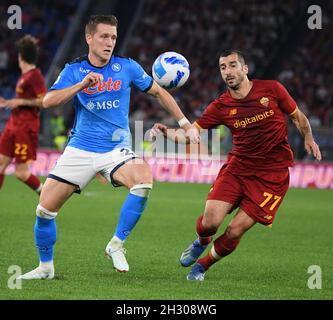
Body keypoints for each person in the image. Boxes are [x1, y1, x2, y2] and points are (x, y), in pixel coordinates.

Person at [18, 15, 199, 280]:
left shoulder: (127, 67)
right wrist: (81, 85)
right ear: (89, 38)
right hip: (80, 149)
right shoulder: (74, 69)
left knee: (143, 180)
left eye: (113, 37)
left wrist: (186, 124)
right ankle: (46, 267)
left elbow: (159, 92)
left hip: (115, 150)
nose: (110, 42)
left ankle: (116, 243)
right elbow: (48, 101)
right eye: (104, 36)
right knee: (45, 210)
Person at [151, 50, 322, 281]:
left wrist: (308, 137)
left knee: (234, 231)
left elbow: (298, 117)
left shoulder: (272, 90)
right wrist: (168, 133)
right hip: (237, 169)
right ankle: (201, 242)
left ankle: (202, 266)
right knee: (209, 224)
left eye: (232, 65)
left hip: (271, 177)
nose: (228, 72)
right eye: (223, 68)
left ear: (245, 68)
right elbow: (191, 134)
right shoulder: (221, 106)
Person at [0, 35, 46, 195]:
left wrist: (20, 102)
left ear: (21, 56)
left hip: (25, 128)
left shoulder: (36, 76)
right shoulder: (24, 77)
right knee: (0, 164)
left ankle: (46, 194)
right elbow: (22, 100)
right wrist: (8, 102)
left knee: (21, 172)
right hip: (13, 124)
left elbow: (43, 101)